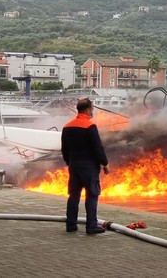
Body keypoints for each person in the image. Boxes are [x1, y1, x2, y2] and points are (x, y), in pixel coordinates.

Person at [61, 98, 110, 234]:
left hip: (74, 165)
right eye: (92, 108)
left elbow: (64, 149)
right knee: (92, 195)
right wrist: (105, 163)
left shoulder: (67, 127)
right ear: (88, 110)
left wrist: (69, 162)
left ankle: (71, 225)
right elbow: (97, 147)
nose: (92, 111)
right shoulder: (90, 126)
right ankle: (91, 226)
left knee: (74, 196)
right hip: (89, 167)